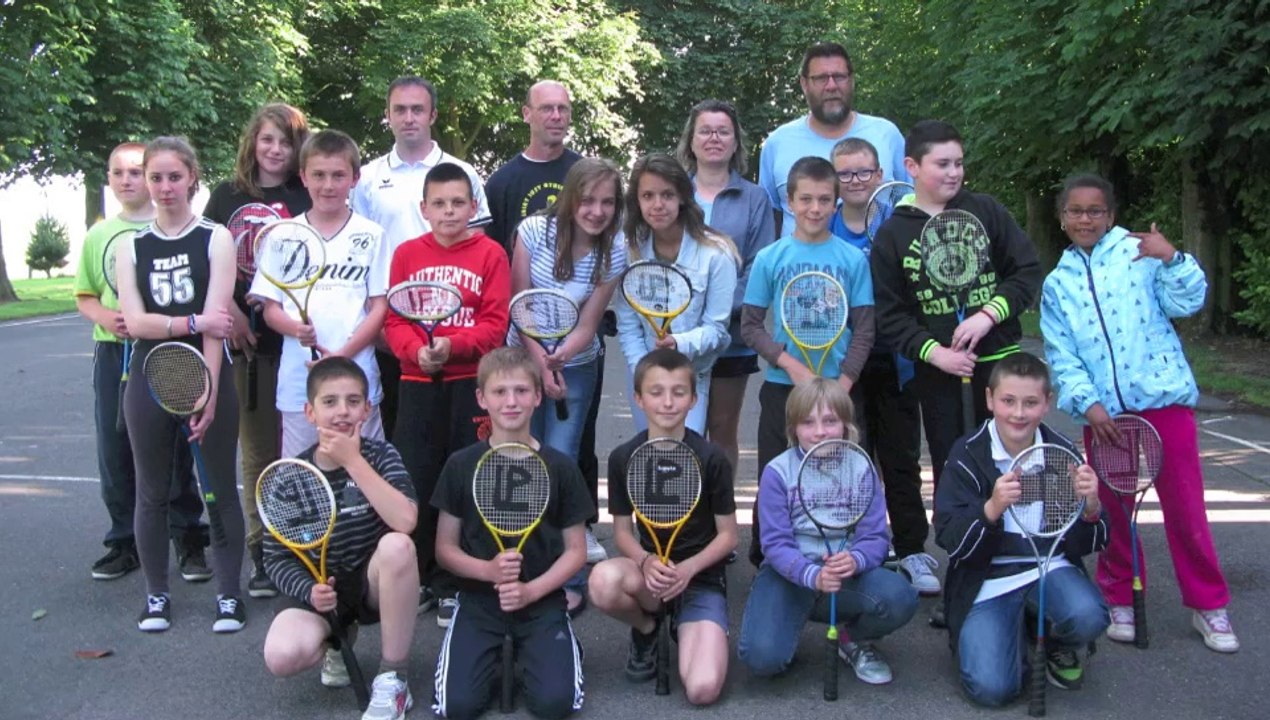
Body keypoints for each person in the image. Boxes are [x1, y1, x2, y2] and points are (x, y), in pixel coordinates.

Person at [1040, 174, 1238, 653]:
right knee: (1112, 510)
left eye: (1095, 211)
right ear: (1062, 218)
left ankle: (1209, 604)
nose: (1085, 219)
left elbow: (1188, 300)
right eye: (1075, 211)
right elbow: (1062, 354)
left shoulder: (1140, 255)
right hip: (1105, 417)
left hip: (1162, 401)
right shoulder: (1057, 284)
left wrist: (1171, 258)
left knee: (1186, 507)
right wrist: (1088, 404)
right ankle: (1121, 597)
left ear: (1110, 215)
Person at [871, 120, 1042, 494]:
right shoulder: (893, 233)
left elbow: (1026, 272)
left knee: (1013, 469)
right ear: (912, 167)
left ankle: (1018, 530)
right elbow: (890, 314)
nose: (954, 173)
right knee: (955, 470)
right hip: (939, 376)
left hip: (1001, 363)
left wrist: (988, 315)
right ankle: (964, 532)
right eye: (942, 164)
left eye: (959, 163)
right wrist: (936, 354)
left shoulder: (986, 210)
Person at [116, 136, 243, 633]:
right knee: (151, 490)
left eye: (174, 176)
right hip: (149, 375)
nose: (165, 187)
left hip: (208, 372)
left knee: (219, 489)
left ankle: (228, 596)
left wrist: (207, 392)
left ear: (192, 177)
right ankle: (156, 595)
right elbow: (136, 322)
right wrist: (190, 322)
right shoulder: (131, 245)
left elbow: (218, 324)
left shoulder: (216, 237)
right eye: (156, 177)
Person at [933, 353, 1109, 706]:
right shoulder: (967, 454)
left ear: (1047, 403)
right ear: (989, 400)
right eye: (1008, 401)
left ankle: (1053, 638)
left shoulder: (1061, 452)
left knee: (1089, 616)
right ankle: (1014, 633)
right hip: (988, 578)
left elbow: (1084, 542)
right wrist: (991, 509)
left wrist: (1092, 509)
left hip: (1048, 567)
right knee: (992, 689)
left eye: (1030, 403)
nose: (1018, 413)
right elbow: (949, 538)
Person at [431, 347, 590, 719]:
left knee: (554, 704)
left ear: (538, 397)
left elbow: (576, 552)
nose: (511, 401)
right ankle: (493, 655)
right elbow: (444, 549)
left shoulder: (561, 467)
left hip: (542, 601)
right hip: (479, 602)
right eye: (500, 392)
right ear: (481, 398)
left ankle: (559, 648)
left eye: (521, 391)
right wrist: (487, 570)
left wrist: (532, 591)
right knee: (457, 707)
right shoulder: (461, 465)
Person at [74, 141, 208, 582]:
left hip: (165, 350)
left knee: (176, 449)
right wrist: (106, 318)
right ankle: (123, 541)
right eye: (118, 173)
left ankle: (188, 537)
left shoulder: (168, 227)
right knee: (115, 450)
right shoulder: (100, 235)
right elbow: (86, 296)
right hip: (115, 352)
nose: (127, 180)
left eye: (136, 171)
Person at [384, 162, 511, 627]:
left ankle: (458, 582)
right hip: (418, 384)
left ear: (474, 206)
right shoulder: (406, 254)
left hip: (469, 385)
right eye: (439, 203)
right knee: (417, 479)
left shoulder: (491, 254)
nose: (449, 211)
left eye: (458, 202)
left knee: (466, 481)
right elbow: (395, 320)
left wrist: (451, 346)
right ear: (424, 208)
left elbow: (495, 324)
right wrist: (416, 352)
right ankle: (421, 576)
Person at [262, 357, 419, 720]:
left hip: (370, 583)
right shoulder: (290, 475)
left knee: (398, 546)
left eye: (353, 401)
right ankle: (336, 640)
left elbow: (406, 520)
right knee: (281, 656)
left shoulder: (382, 456)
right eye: (329, 402)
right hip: (319, 588)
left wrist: (353, 462)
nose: (342, 411)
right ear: (310, 412)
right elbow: (275, 557)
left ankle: (394, 676)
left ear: (367, 409)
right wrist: (308, 591)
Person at [741, 156, 875, 567]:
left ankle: (843, 557)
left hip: (840, 390)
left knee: (843, 477)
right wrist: (791, 365)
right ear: (790, 201)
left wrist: (843, 384)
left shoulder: (853, 259)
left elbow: (864, 329)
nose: (815, 208)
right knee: (775, 476)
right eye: (806, 199)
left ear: (836, 202)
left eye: (824, 200)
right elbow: (750, 326)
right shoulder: (771, 258)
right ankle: (770, 560)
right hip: (784, 389)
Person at [737, 378, 917, 684]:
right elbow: (775, 544)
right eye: (808, 422)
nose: (820, 431)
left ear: (846, 425)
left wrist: (856, 560)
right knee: (762, 659)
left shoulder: (862, 467)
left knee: (900, 596)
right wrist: (812, 575)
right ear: (793, 428)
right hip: (790, 574)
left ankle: (851, 639)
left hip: (846, 575)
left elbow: (874, 537)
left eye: (830, 421)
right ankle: (783, 617)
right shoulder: (777, 472)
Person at [204, 103, 312, 598]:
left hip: (296, 340)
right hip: (249, 347)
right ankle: (262, 550)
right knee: (259, 453)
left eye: (286, 142)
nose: (275, 149)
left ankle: (303, 544)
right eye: (267, 139)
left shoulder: (305, 192)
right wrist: (227, 308)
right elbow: (206, 259)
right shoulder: (226, 195)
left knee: (304, 450)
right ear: (253, 142)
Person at [589, 348, 737, 706]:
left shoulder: (712, 458)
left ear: (693, 399)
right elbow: (622, 532)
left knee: (702, 689)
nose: (668, 402)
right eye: (656, 392)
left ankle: (688, 625)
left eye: (678, 392)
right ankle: (648, 628)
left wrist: (688, 569)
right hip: (651, 577)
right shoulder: (624, 457)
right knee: (603, 581)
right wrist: (646, 561)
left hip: (701, 579)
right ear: (639, 399)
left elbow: (729, 535)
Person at [352, 75, 491, 455]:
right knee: (405, 446)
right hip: (394, 331)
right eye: (400, 110)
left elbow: (477, 248)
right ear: (388, 115)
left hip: (457, 337)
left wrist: (454, 336)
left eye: (417, 109)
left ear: (433, 115)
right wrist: (380, 324)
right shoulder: (368, 178)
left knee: (461, 449)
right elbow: (361, 252)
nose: (409, 117)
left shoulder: (463, 172)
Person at [508, 157, 626, 586]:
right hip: (521, 357)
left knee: (559, 459)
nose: (597, 211)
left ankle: (564, 573)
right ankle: (522, 554)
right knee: (520, 454)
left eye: (607, 202)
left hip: (575, 364)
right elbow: (518, 304)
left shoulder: (615, 249)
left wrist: (559, 358)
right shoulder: (533, 232)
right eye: (588, 200)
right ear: (570, 198)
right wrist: (540, 361)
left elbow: (590, 323)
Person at [828, 138, 934, 594]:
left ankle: (912, 549)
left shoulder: (901, 224)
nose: (855, 181)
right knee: (849, 457)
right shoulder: (824, 226)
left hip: (896, 361)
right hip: (843, 363)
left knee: (900, 458)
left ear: (879, 175)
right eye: (845, 173)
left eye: (864, 172)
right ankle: (855, 548)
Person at [249, 129, 390, 457]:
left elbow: (379, 307)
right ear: (303, 177)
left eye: (338, 175)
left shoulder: (372, 234)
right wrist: (294, 328)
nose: (328, 185)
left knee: (365, 469)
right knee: (302, 472)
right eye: (319, 175)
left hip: (358, 374)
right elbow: (271, 309)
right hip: (299, 379)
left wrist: (343, 355)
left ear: (354, 178)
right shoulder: (283, 235)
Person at [674, 99, 775, 476]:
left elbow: (759, 266)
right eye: (705, 131)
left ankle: (720, 506)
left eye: (722, 131)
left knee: (721, 429)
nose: (714, 138)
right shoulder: (673, 193)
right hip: (676, 333)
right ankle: (683, 505)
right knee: (678, 428)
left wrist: (717, 310)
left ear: (735, 142)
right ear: (691, 140)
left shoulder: (755, 198)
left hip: (731, 336)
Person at [614, 154, 739, 434]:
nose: (658, 204)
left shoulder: (716, 253)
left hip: (692, 373)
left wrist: (678, 344)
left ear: (682, 197)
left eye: (667, 195)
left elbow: (717, 330)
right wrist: (645, 372)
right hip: (642, 372)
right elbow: (628, 326)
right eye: (648, 196)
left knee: (682, 452)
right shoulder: (629, 250)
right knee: (648, 453)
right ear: (637, 201)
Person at [758, 41, 907, 236]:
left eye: (839, 77)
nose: (831, 86)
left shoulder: (887, 135)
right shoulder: (777, 143)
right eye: (821, 78)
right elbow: (769, 219)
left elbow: (912, 204)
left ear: (851, 80)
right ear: (804, 84)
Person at [484, 80, 582, 256]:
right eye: (546, 109)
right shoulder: (500, 183)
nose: (556, 116)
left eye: (563, 108)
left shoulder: (586, 175)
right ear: (526, 113)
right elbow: (490, 253)